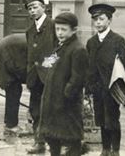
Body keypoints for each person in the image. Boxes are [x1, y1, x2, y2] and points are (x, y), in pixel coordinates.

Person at [85, 3, 125, 156]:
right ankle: (105, 148)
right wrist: (88, 89)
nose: (98, 23)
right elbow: (89, 67)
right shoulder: (91, 42)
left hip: (112, 87)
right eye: (95, 20)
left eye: (101, 19)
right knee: (100, 119)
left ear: (109, 20)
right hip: (97, 88)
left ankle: (115, 150)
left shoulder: (117, 40)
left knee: (112, 119)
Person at [39, 11, 89, 156]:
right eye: (57, 29)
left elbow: (77, 79)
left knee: (70, 140)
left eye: (63, 30)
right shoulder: (60, 46)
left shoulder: (78, 49)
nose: (59, 33)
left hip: (66, 105)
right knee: (53, 139)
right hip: (54, 102)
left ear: (74, 30)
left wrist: (66, 95)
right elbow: (50, 66)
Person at [25, 0, 57, 154]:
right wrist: (29, 74)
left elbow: (60, 49)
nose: (32, 11)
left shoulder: (53, 25)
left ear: (44, 8)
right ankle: (39, 143)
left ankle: (54, 144)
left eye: (35, 7)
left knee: (50, 110)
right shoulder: (30, 30)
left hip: (50, 76)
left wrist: (48, 64)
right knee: (35, 110)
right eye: (30, 9)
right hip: (35, 77)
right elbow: (30, 54)